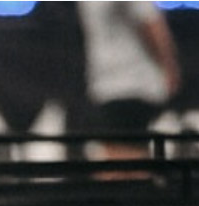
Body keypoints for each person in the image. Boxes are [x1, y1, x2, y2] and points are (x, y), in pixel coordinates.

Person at [77, 1, 181, 169]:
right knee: (121, 160)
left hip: (128, 83)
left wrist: (168, 66)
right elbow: (150, 24)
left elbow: (149, 23)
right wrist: (169, 66)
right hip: (122, 83)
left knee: (125, 161)